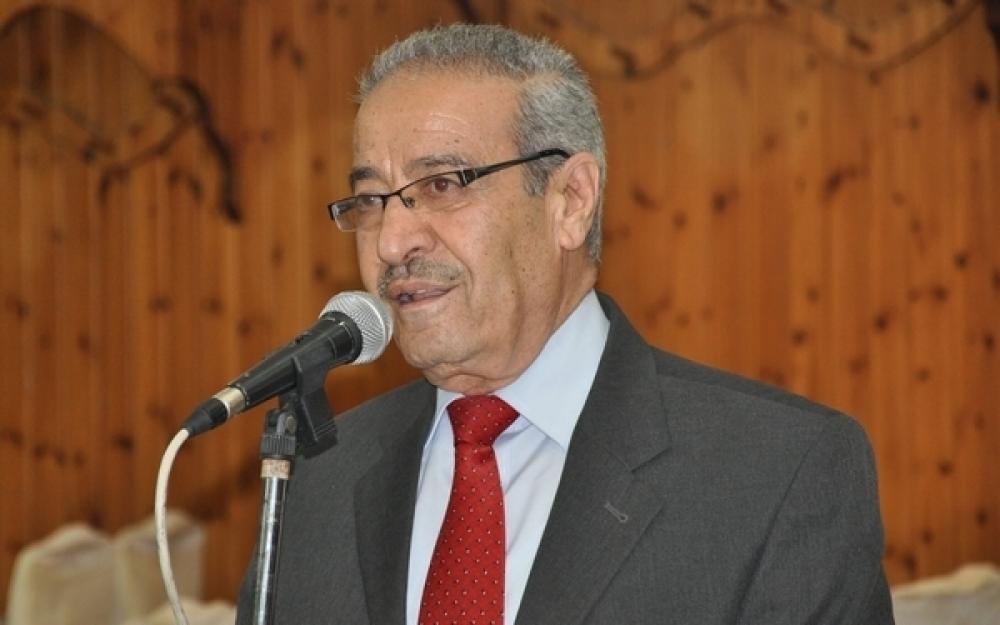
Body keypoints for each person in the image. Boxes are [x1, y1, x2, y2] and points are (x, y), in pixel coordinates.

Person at [237, 24, 894, 625]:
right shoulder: (313, 479)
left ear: (571, 201)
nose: (390, 241)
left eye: (442, 185)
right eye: (370, 200)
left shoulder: (777, 472)